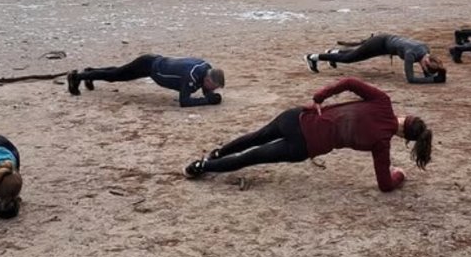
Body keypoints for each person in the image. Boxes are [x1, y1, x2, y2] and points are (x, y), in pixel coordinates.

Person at [183, 76, 433, 192]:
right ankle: (202, 166)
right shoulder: (382, 144)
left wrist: (319, 97)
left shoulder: (383, 102)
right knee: (254, 156)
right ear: (405, 138)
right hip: (305, 146)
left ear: (405, 116)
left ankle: (218, 153)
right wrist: (399, 174)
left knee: (256, 137)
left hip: (299, 118)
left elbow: (349, 81)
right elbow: (385, 185)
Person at [67, 55, 225, 107]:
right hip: (149, 66)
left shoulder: (206, 68)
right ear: (208, 78)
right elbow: (184, 101)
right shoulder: (191, 76)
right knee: (115, 75)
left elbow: (205, 88)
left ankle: (89, 73)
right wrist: (207, 100)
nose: (212, 89)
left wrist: (209, 96)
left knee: (118, 72)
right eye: (213, 86)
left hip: (154, 62)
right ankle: (77, 77)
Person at [305, 34, 446, 84]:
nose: (423, 69)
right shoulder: (411, 55)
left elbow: (426, 73)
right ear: (426, 61)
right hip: (379, 43)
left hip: (386, 44)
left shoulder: (426, 50)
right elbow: (411, 79)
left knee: (355, 54)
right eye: (424, 68)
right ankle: (312, 57)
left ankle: (333, 53)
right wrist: (433, 80)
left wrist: (435, 75)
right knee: (349, 58)